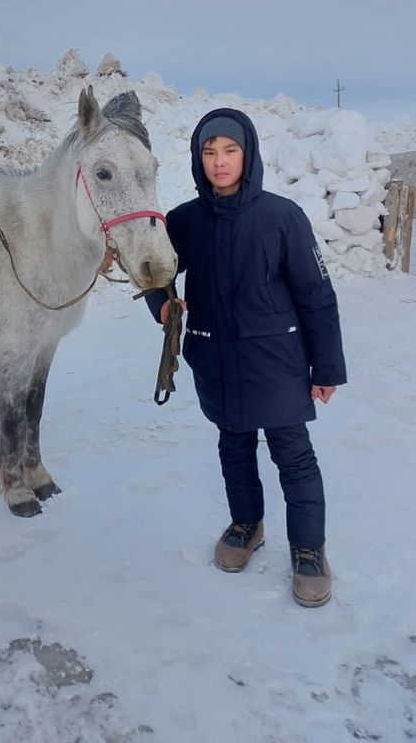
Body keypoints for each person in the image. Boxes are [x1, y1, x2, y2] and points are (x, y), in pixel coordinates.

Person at [146, 108, 346, 607]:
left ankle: (308, 549)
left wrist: (326, 367)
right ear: (198, 158)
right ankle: (246, 524)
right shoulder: (184, 221)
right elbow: (157, 270)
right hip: (215, 354)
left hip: (276, 356)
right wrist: (163, 303)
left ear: (247, 154)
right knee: (233, 446)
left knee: (293, 455)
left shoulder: (283, 216)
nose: (219, 162)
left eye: (229, 151)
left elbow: (317, 295)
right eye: (209, 152)